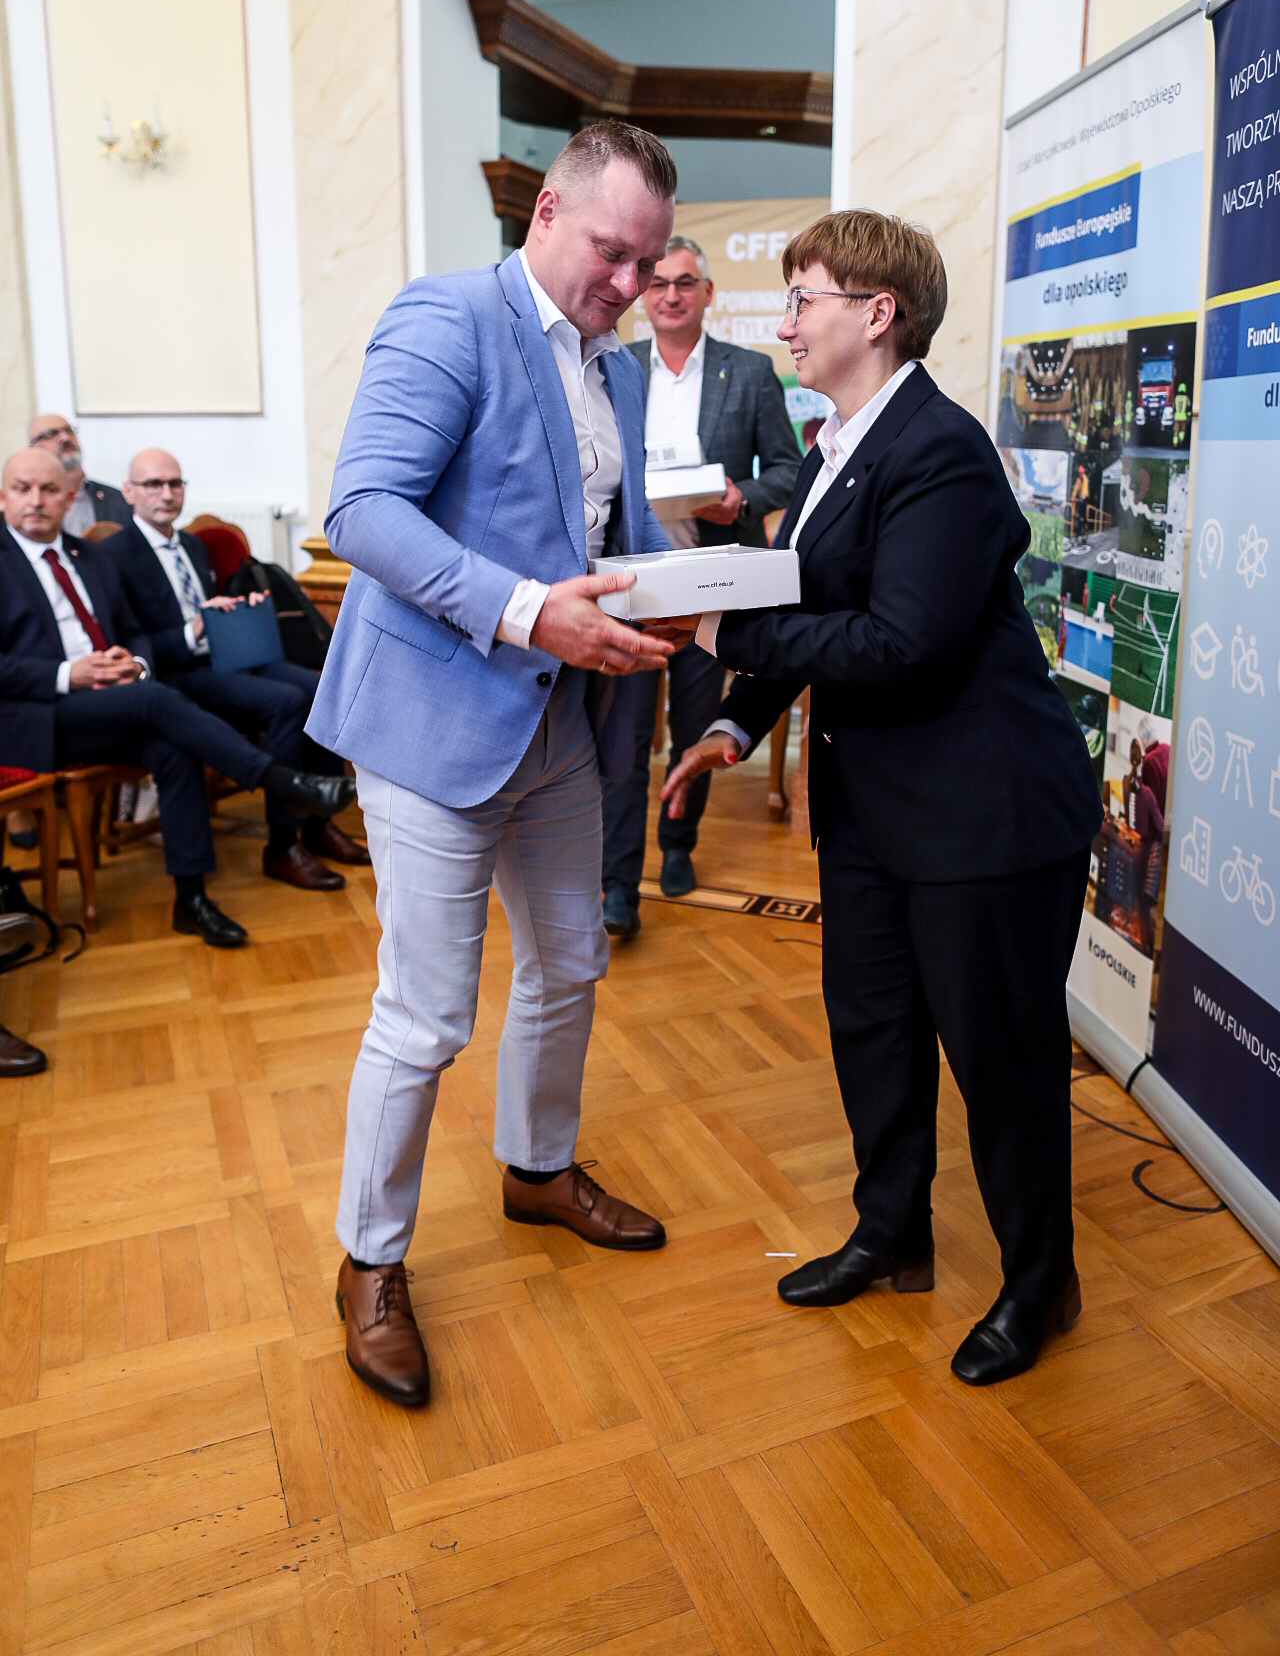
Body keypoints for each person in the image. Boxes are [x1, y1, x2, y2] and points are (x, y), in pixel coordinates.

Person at [663, 210, 1102, 1387]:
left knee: (999, 1064)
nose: (783, 323)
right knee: (874, 1032)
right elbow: (811, 605)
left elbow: (900, 643)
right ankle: (890, 1235)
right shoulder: (834, 447)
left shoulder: (938, 450)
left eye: (799, 297)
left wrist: (716, 633)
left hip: (981, 818)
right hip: (871, 812)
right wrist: (732, 723)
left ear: (875, 312)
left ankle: (1038, 1284)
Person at [308, 122, 687, 1409]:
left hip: (558, 733)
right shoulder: (447, 317)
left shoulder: (612, 367)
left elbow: (615, 532)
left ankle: (536, 1169)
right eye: (612, 254)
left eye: (648, 264)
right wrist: (530, 614)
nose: (630, 285)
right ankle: (370, 1262)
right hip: (432, 728)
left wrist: (692, 591)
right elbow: (362, 510)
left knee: (571, 963)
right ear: (545, 214)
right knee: (424, 1015)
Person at [0, 447, 356, 947]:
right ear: (3, 497)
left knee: (175, 749)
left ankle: (190, 899)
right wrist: (67, 674)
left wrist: (133, 663)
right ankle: (280, 781)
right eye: (23, 490)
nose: (36, 501)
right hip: (41, 712)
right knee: (157, 699)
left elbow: (132, 634)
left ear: (69, 497)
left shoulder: (89, 557)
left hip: (112, 697)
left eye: (49, 490)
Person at [600, 236, 801, 934]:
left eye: (684, 282)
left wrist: (741, 498)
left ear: (708, 293)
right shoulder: (615, 365)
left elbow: (789, 467)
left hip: (708, 590)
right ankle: (618, 883)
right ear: (642, 294)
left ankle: (678, 844)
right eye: (656, 283)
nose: (670, 295)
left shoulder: (749, 372)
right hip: (629, 585)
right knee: (624, 740)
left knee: (695, 727)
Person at [104, 448, 367, 891]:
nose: (166, 494)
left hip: (225, 655)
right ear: (129, 492)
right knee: (286, 702)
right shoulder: (113, 554)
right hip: (176, 671)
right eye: (153, 485)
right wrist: (192, 630)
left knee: (319, 688)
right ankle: (281, 845)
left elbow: (213, 609)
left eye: (174, 483)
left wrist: (241, 610)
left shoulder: (192, 545)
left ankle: (318, 825)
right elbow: (131, 642)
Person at [28, 415, 128, 535]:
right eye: (51, 434)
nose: (65, 438)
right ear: (33, 449)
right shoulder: (29, 505)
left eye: (69, 431)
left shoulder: (119, 500)